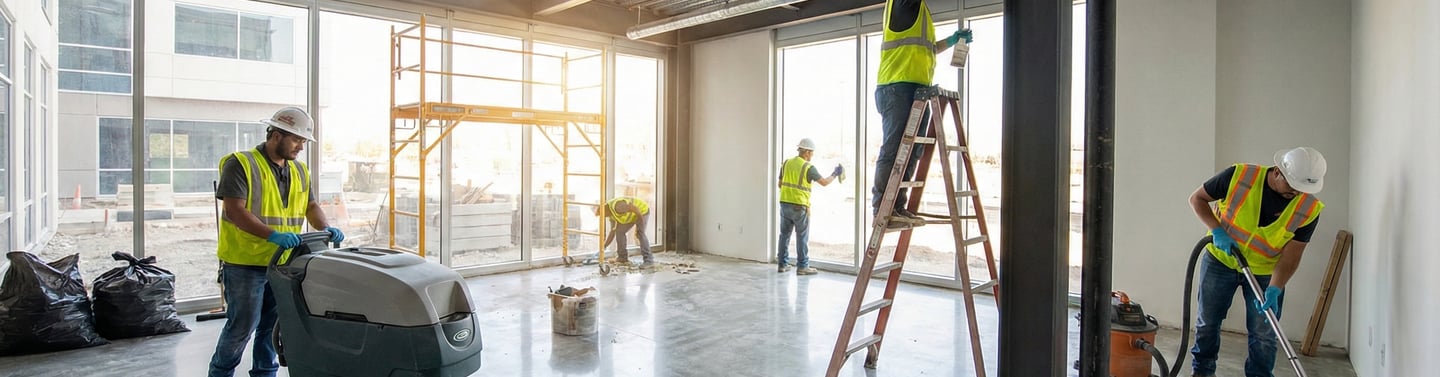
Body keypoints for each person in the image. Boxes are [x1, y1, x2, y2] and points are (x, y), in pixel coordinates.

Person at [208, 106, 344, 377]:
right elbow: (235, 210)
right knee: (242, 327)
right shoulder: (241, 163)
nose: (300, 147)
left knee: (272, 326)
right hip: (245, 263)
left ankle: (264, 373)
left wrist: (327, 228)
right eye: (296, 140)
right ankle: (220, 373)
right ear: (276, 135)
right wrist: (273, 235)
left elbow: (311, 205)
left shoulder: (300, 171)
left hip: (281, 263)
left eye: (303, 141)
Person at [1186, 147, 1327, 377]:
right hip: (1220, 261)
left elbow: (1292, 255)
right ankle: (1202, 373)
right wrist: (1217, 231)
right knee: (1208, 323)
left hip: (1264, 272)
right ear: (1278, 171)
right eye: (1292, 185)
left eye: (1302, 189)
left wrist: (1276, 287)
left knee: (1264, 333)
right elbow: (1197, 199)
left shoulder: (1308, 209)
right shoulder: (1240, 176)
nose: (1296, 192)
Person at [873, 0, 972, 226]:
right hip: (896, 86)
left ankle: (897, 206)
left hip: (917, 89)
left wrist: (952, 41)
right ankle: (882, 208)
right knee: (894, 149)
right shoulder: (903, 4)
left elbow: (927, 49)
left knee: (912, 151)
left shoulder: (919, 12)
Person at [777, 138, 842, 275]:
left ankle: (782, 265)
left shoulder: (787, 163)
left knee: (784, 235)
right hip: (799, 206)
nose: (812, 156)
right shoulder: (808, 168)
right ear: (806, 152)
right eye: (811, 153)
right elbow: (824, 182)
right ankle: (802, 267)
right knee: (802, 236)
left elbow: (780, 184)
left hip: (784, 204)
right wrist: (835, 174)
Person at [597, 196, 654, 268]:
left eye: (603, 215)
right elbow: (612, 232)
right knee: (619, 232)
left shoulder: (618, 206)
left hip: (642, 212)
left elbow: (636, 209)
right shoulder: (611, 215)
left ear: (605, 212)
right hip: (632, 216)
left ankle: (649, 261)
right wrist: (604, 246)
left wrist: (639, 226)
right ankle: (622, 258)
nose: (603, 217)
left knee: (640, 234)